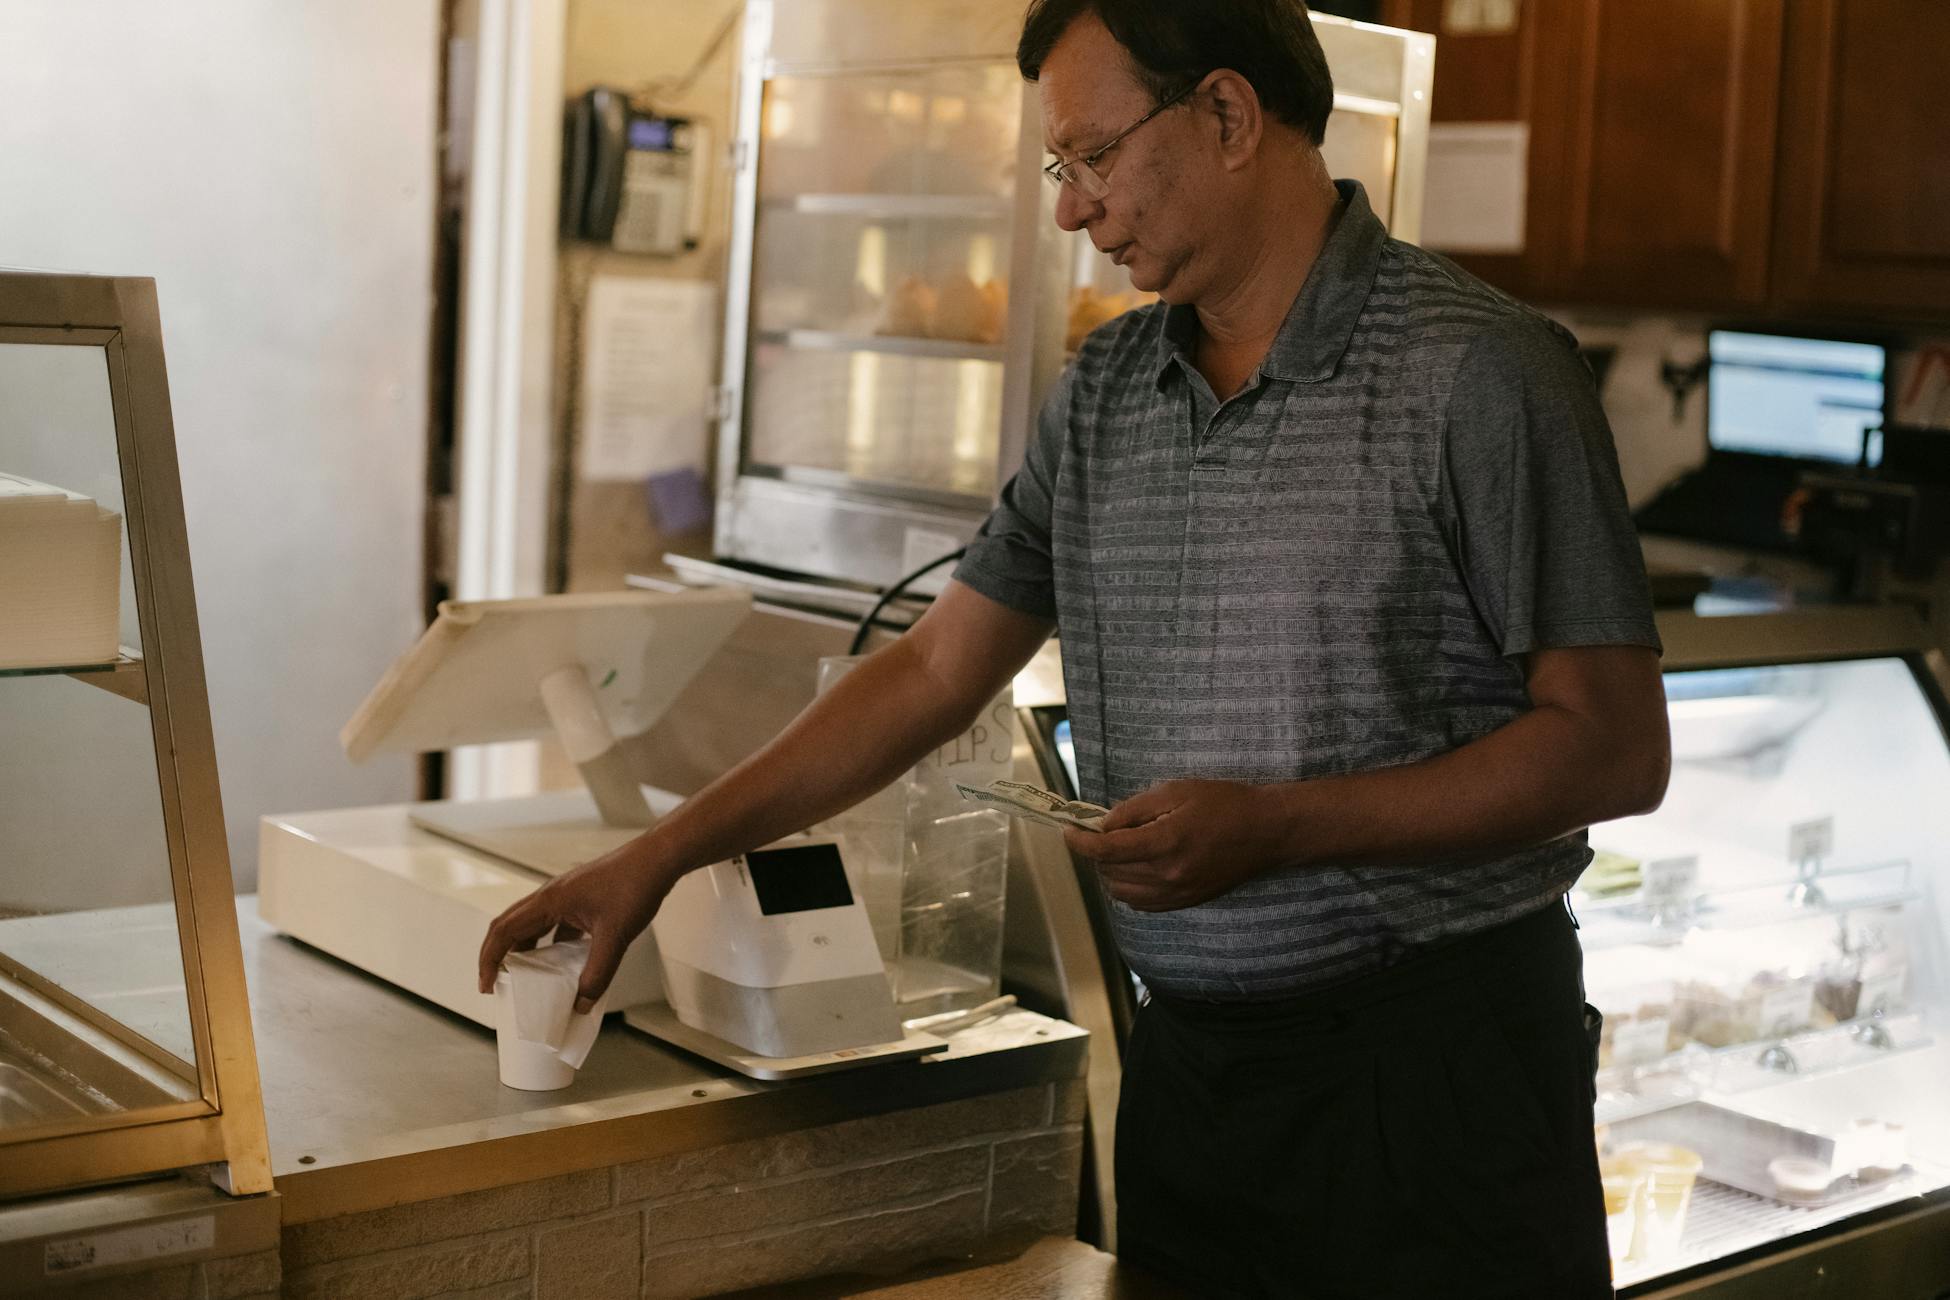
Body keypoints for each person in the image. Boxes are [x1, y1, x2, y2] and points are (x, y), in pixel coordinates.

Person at [480, 1, 1670, 1294]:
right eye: (1061, 170)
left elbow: (1610, 749)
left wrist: (1280, 826)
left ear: (1224, 114)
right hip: (1196, 1079)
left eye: (1091, 157)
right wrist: (654, 857)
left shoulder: (1480, 370)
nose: (1069, 210)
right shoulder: (1107, 390)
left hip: (1433, 1083)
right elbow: (935, 669)